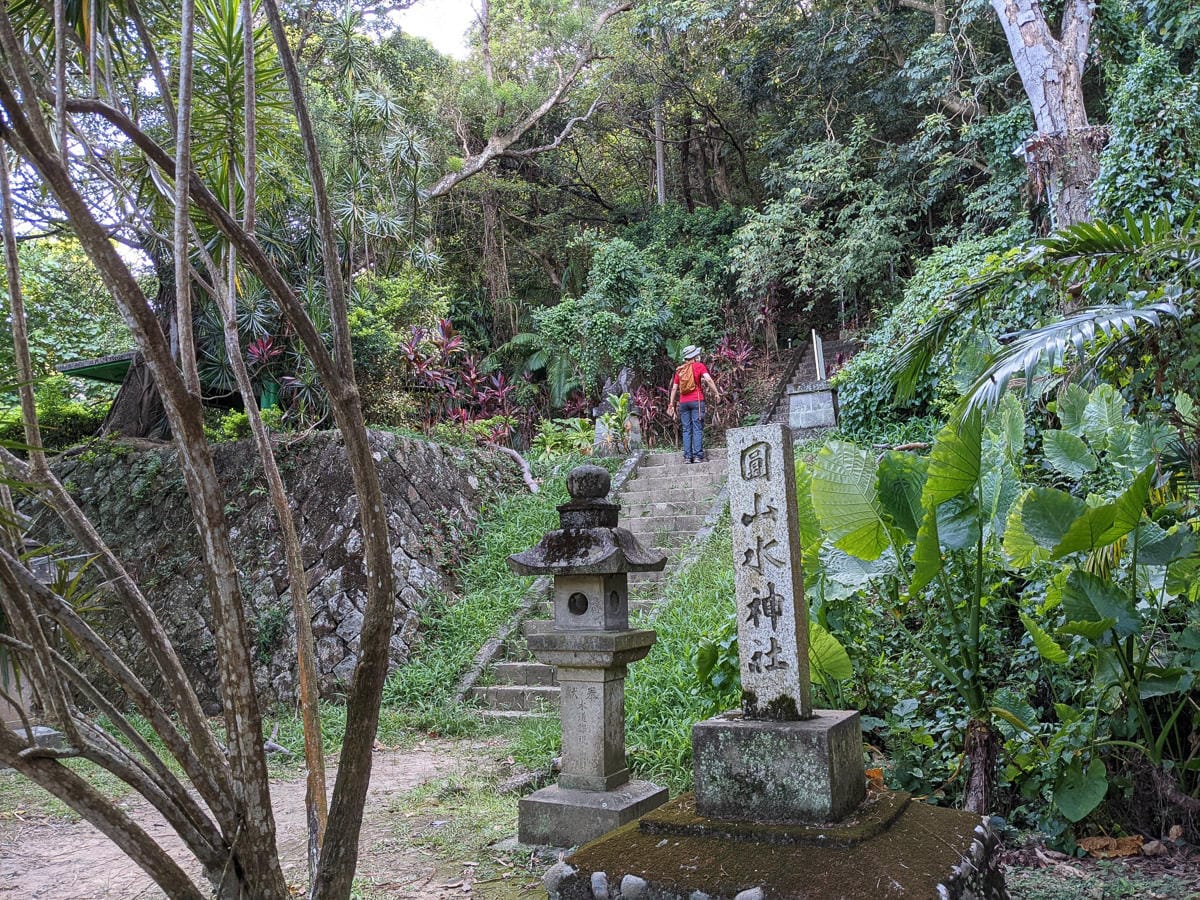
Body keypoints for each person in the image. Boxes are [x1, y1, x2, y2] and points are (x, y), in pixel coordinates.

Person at [668, 345, 721, 463]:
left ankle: (687, 457)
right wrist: (716, 393)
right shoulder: (699, 366)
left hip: (683, 403)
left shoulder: (680, 370)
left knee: (686, 429)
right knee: (697, 428)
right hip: (697, 401)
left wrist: (671, 403)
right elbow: (708, 379)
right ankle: (697, 456)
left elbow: (674, 388)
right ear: (694, 356)